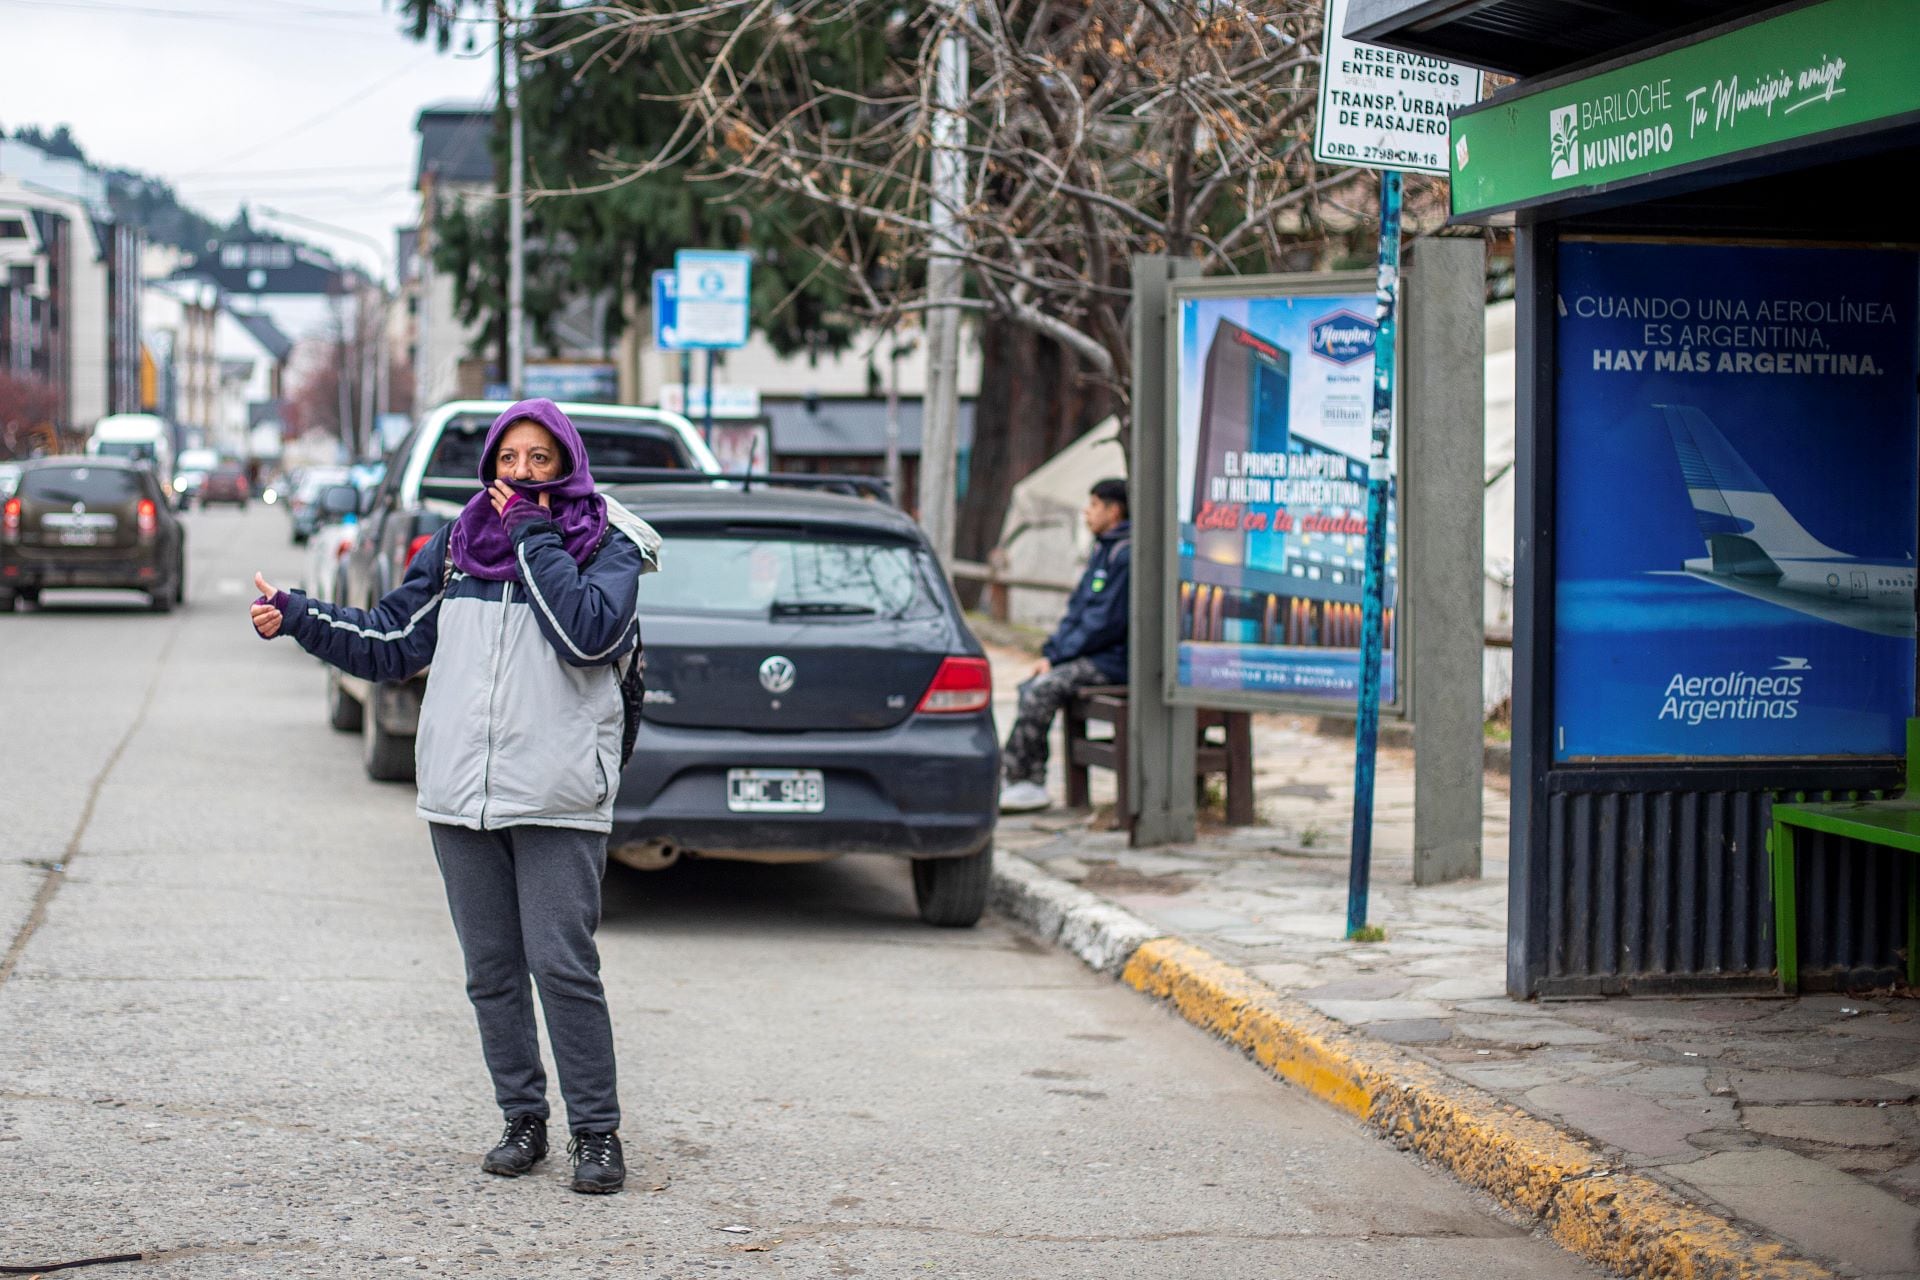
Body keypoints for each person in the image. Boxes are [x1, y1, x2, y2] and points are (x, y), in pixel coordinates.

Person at [248, 399, 659, 1195]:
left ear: (567, 464)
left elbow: (588, 638)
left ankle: (597, 1135)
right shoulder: (456, 549)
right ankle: (523, 1119)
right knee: (492, 971)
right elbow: (393, 641)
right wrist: (300, 617)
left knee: (562, 966)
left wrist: (534, 537)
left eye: (542, 460)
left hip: (558, 792)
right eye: (511, 460)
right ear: (491, 466)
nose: (524, 476)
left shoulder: (607, 547)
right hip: (460, 794)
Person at [999, 478, 1131, 813]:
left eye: (1094, 505)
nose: (1086, 512)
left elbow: (1103, 622)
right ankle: (1020, 776)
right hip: (1092, 654)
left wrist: (1058, 658)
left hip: (1115, 660)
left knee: (1043, 688)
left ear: (1114, 511)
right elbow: (1077, 610)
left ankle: (1025, 780)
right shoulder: (1104, 548)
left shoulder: (1125, 555)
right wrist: (1051, 652)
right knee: (1031, 684)